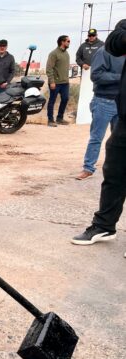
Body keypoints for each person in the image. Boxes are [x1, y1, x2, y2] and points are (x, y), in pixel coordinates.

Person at [72, 18, 126, 251]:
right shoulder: (109, 46)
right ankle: (104, 225)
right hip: (120, 113)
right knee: (113, 172)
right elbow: (115, 43)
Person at [76, 46, 124, 180]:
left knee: (120, 139)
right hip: (104, 101)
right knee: (96, 137)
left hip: (122, 102)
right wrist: (121, 77)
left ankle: (117, 169)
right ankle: (88, 168)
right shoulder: (104, 52)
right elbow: (96, 75)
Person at [46, 35, 71, 127]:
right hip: (55, 83)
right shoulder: (53, 53)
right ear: (62, 42)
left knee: (65, 99)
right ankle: (50, 120)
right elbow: (49, 68)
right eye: (68, 41)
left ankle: (59, 118)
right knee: (52, 100)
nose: (69, 43)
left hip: (65, 82)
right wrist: (52, 81)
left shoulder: (66, 54)